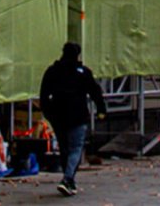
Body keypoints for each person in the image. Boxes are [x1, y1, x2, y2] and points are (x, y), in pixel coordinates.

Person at [38, 40, 108, 196]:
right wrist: (101, 109)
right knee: (75, 148)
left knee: (64, 148)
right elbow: (95, 91)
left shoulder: (52, 71)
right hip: (78, 115)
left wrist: (48, 113)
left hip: (58, 115)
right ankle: (68, 179)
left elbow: (44, 95)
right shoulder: (83, 72)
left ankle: (69, 180)